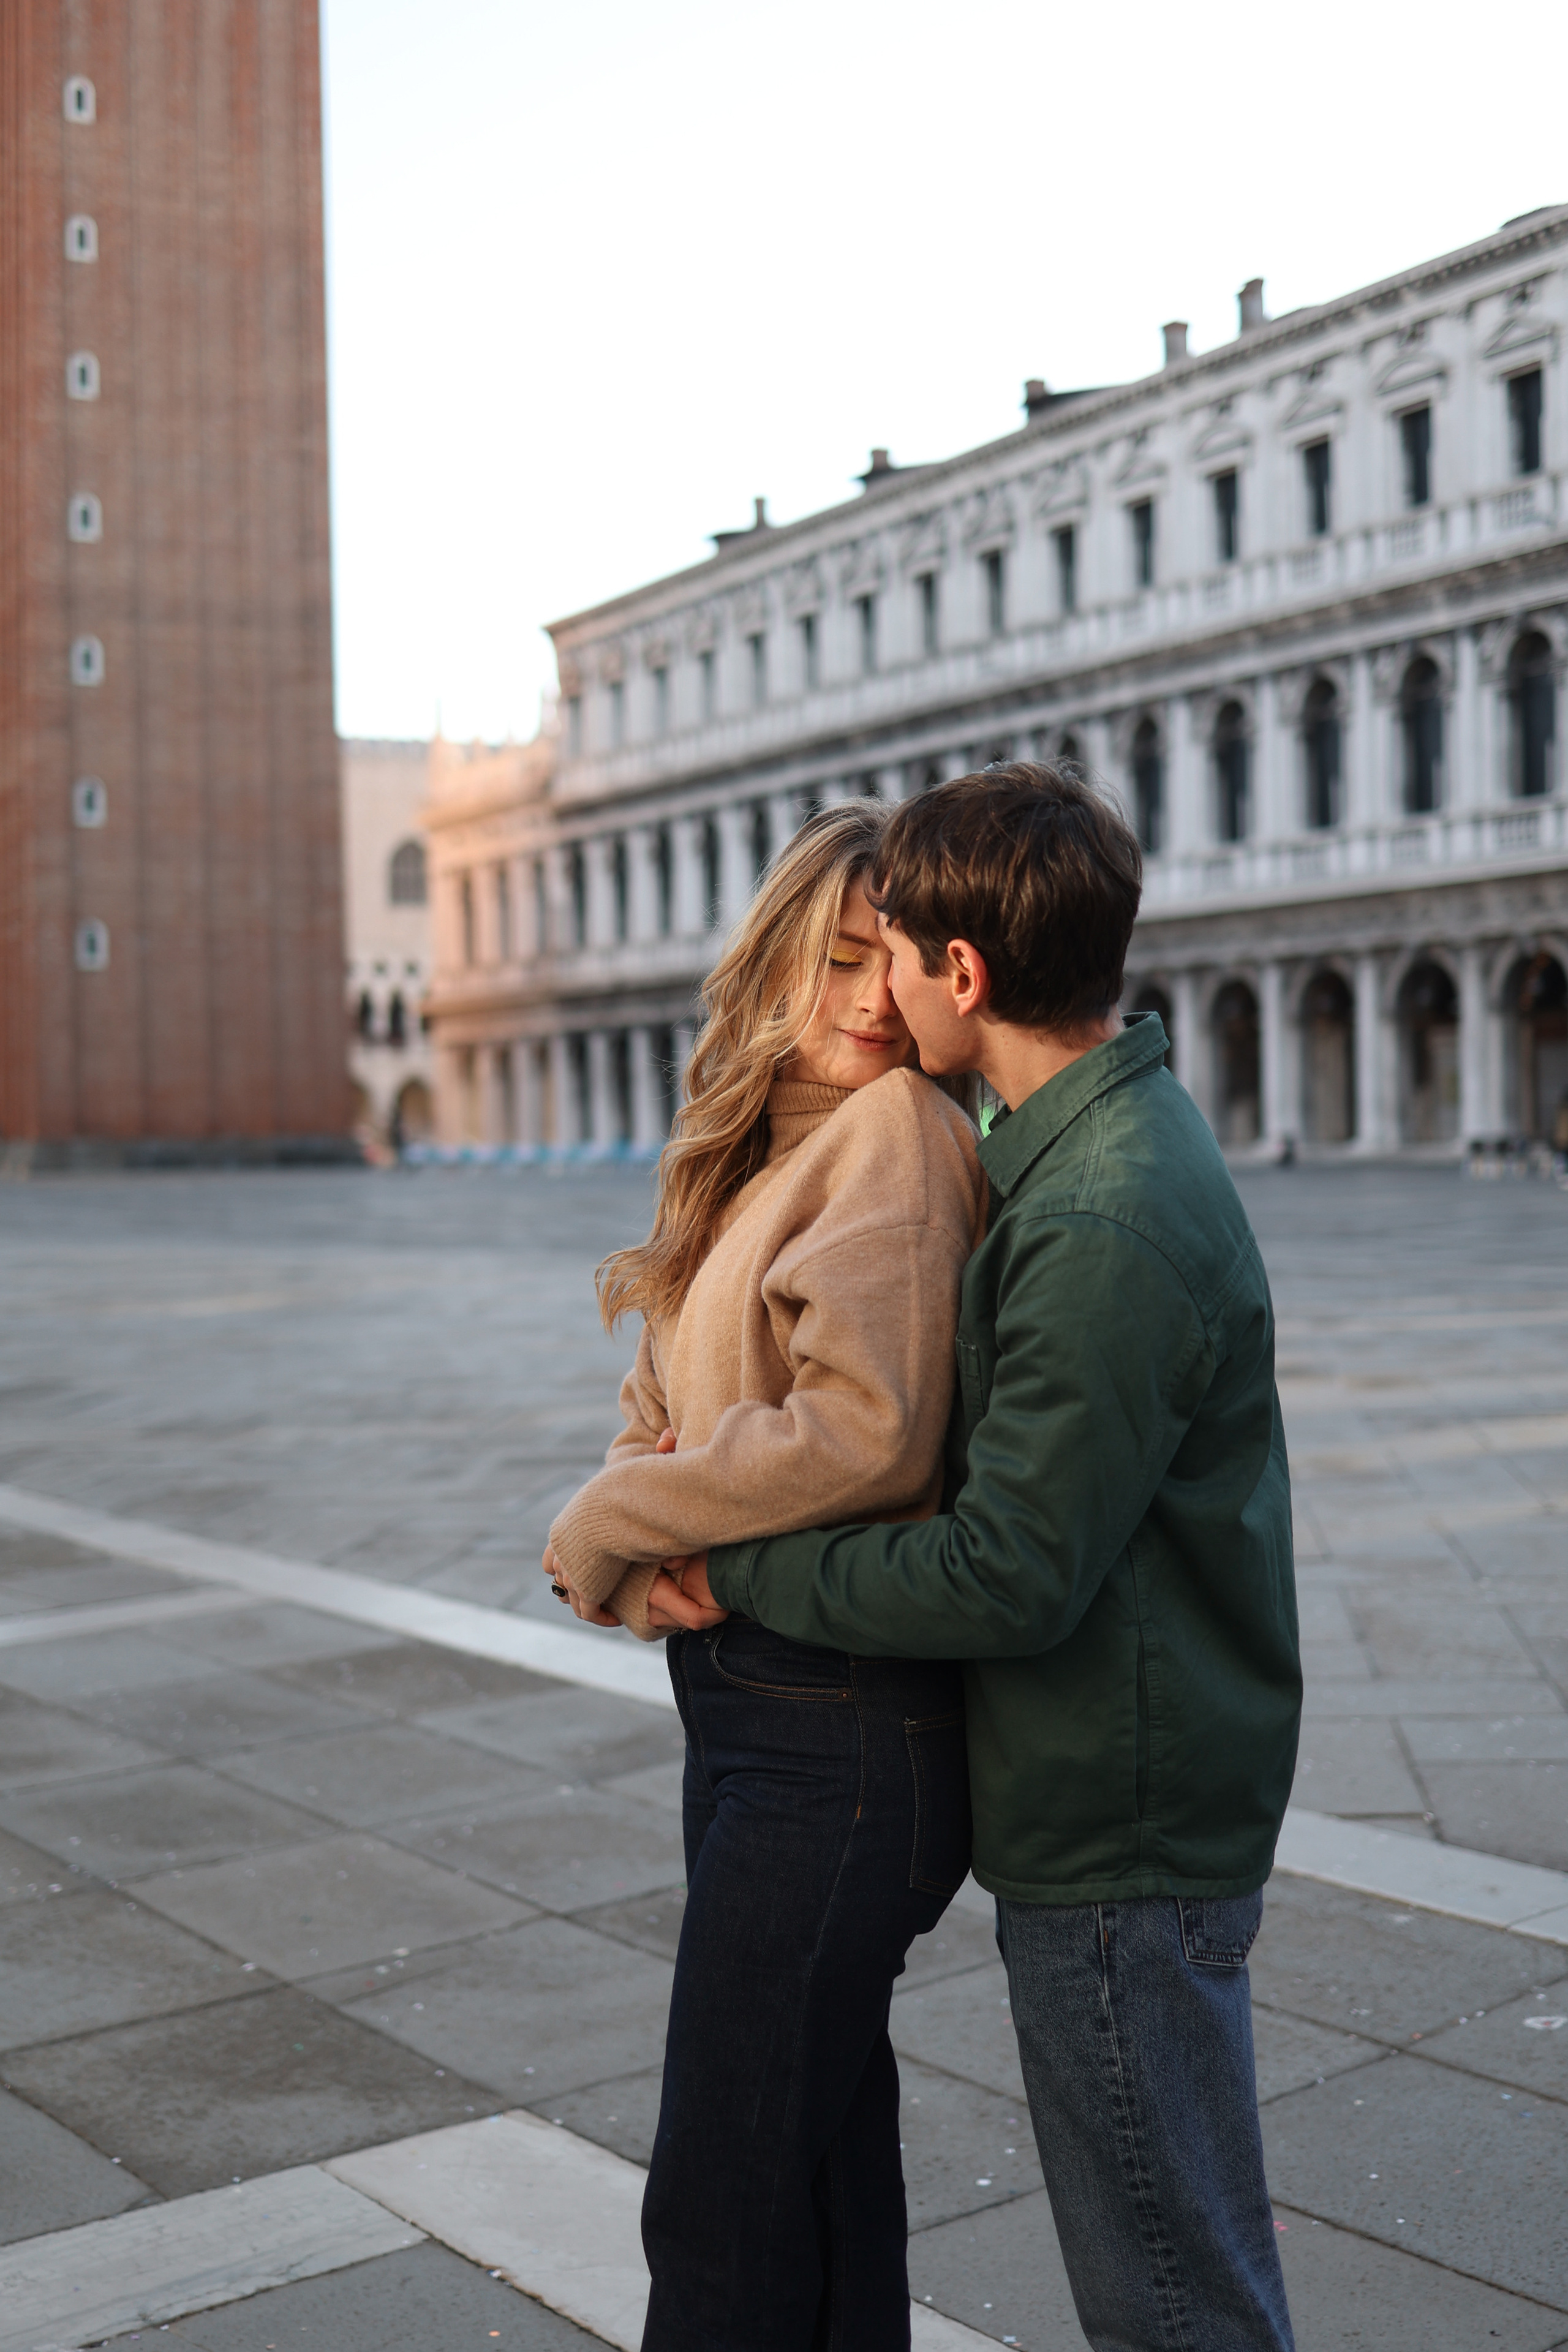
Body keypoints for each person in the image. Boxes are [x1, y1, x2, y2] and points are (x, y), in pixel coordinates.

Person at [656, 764, 1303, 2352]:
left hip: (1120, 1824)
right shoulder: (1071, 1161)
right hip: (1108, 1790)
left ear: (959, 971)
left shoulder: (1099, 1212)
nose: (875, 991)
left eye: (889, 951)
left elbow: (1005, 1571)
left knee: (1169, 2301)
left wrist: (736, 1575)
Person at [542, 800, 986, 2352]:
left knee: (720, 2197)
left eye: (892, 964)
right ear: (776, 958)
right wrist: (642, 1540)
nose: (869, 999)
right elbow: (661, 1400)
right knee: (815, 2174)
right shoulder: (762, 1154)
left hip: (835, 1729)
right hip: (758, 1715)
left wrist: (608, 1525)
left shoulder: (895, 1133)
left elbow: (862, 1430)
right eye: (836, 958)